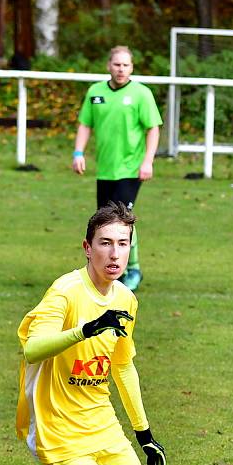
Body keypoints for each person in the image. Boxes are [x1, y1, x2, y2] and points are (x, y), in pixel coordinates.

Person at [15, 202, 166, 465]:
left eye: (123, 244)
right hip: (59, 431)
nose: (114, 254)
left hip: (103, 426)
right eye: (105, 244)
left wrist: (144, 432)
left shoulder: (126, 299)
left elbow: (122, 366)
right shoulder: (65, 292)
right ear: (87, 247)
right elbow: (33, 348)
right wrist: (86, 329)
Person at [72, 45, 162, 292]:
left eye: (126, 65)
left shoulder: (141, 94)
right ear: (108, 66)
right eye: (117, 64)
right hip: (105, 170)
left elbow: (153, 128)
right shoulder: (96, 92)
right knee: (104, 222)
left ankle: (132, 269)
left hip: (130, 169)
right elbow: (85, 124)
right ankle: (104, 270)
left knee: (122, 221)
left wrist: (148, 160)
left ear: (131, 67)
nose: (121, 69)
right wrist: (78, 152)